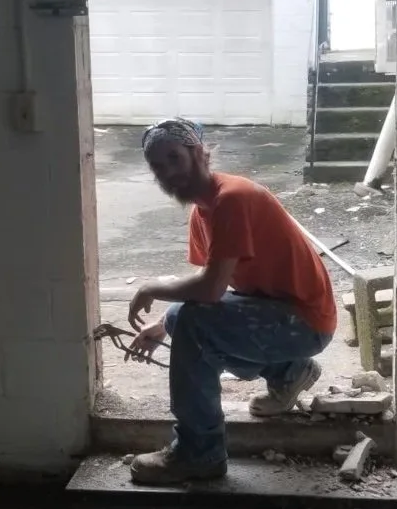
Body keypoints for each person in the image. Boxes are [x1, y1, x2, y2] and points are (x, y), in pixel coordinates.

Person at [126, 118, 337, 486]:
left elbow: (208, 291)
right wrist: (161, 324)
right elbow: (215, 288)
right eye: (157, 166)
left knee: (192, 324)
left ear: (197, 153)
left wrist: (150, 286)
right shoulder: (202, 211)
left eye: (173, 159)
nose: (167, 173)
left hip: (304, 321)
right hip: (276, 315)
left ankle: (200, 452)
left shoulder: (232, 198)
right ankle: (290, 372)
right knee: (181, 319)